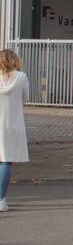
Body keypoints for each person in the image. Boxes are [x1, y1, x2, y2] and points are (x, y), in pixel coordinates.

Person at [0, 49, 30, 213]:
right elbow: (24, 99)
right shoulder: (21, 77)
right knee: (5, 161)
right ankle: (1, 200)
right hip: (11, 123)